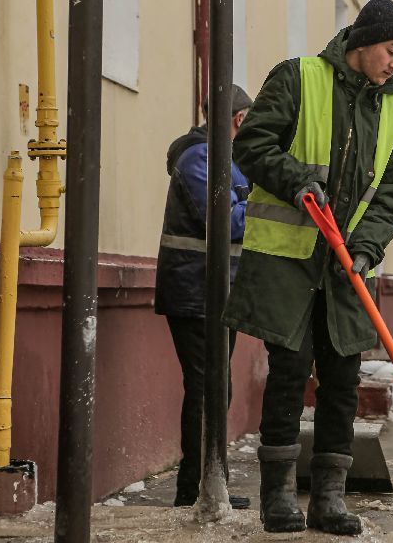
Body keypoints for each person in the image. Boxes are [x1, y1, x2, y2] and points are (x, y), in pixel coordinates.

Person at [223, 0, 393, 535]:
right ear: (363, 42)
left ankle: (329, 498)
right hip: (288, 260)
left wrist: (367, 248)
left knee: (342, 380)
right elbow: (253, 144)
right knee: (288, 373)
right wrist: (297, 180)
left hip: (349, 267)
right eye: (391, 50)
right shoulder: (297, 78)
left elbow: (391, 194)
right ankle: (277, 495)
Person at [154, 84, 252, 509]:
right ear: (240, 119)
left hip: (214, 293)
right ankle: (194, 491)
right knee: (206, 389)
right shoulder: (200, 158)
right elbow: (227, 223)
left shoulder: (224, 160)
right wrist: (265, 202)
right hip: (195, 292)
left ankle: (213, 486)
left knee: (217, 388)